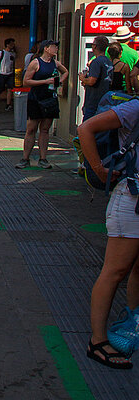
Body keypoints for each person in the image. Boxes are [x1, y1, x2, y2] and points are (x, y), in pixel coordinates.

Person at [78, 95, 139, 370]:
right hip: (131, 201)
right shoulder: (135, 108)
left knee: (137, 269)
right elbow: (85, 129)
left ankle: (131, 328)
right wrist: (100, 171)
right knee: (115, 271)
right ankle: (98, 341)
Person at [17, 39, 68, 168]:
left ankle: (43, 158)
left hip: (50, 99)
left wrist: (59, 81)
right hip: (36, 99)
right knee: (31, 128)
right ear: (46, 48)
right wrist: (45, 82)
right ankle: (25, 158)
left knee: (45, 129)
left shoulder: (55, 63)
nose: (56, 49)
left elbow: (66, 72)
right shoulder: (35, 63)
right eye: (54, 47)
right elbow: (26, 81)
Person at [80, 35, 113, 121]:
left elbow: (91, 81)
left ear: (95, 46)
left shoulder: (96, 61)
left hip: (93, 102)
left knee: (86, 128)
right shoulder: (108, 61)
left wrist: (83, 78)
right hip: (105, 100)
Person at [0, 38, 17, 111]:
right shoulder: (1, 53)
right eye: (11, 44)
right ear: (7, 45)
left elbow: (13, 63)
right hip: (2, 73)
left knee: (10, 89)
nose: (12, 45)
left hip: (10, 73)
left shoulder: (13, 54)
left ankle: (8, 104)